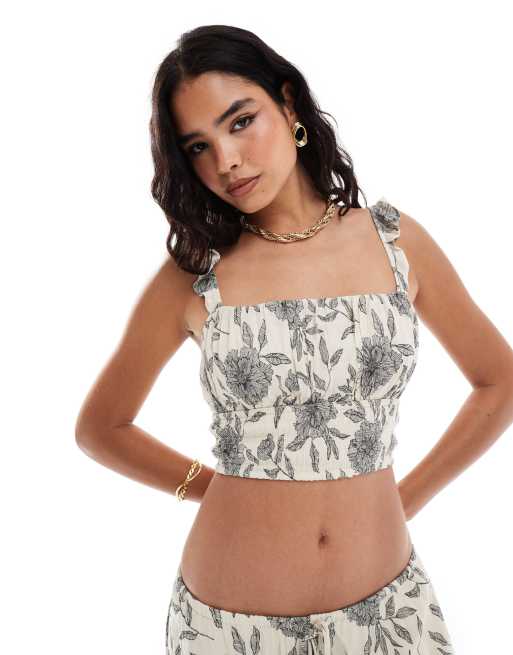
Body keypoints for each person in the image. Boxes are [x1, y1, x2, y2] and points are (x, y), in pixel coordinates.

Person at [75, 25, 513, 654]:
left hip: (389, 611)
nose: (226, 160)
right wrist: (214, 487)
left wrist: (404, 500)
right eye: (198, 146)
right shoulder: (195, 275)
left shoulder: (394, 242)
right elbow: (101, 427)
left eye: (240, 121)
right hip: (230, 627)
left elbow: (499, 381)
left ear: (287, 103)